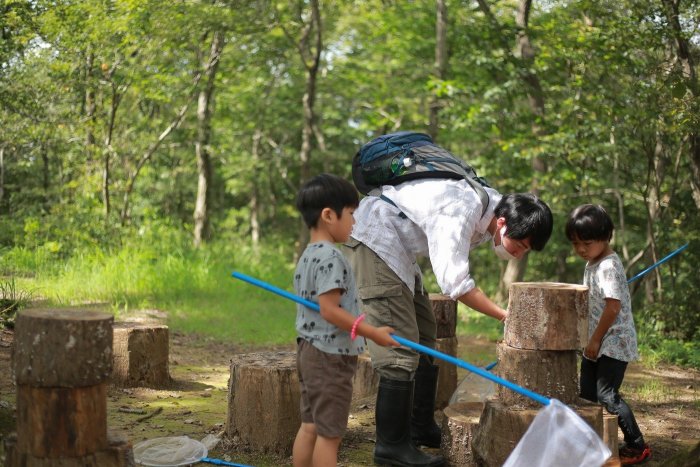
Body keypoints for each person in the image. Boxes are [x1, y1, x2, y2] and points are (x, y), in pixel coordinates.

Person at [343, 175, 553, 467]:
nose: (517, 254)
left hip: (399, 250)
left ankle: (418, 426)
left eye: (525, 251)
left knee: (425, 333)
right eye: (519, 245)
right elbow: (456, 284)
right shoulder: (462, 208)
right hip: (374, 238)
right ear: (503, 222)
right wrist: (505, 315)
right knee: (398, 347)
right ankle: (391, 448)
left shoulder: (489, 210)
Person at [292, 173, 400, 467]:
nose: (355, 222)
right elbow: (329, 310)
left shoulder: (308, 255)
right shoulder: (331, 257)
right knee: (330, 435)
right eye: (351, 214)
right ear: (329, 215)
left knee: (310, 427)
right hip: (329, 357)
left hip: (309, 351)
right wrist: (372, 332)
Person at [565, 204, 652, 466]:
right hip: (595, 341)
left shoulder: (608, 266)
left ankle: (637, 445)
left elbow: (613, 307)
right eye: (575, 243)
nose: (581, 249)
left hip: (613, 341)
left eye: (586, 243)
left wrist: (594, 340)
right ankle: (589, 443)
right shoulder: (593, 262)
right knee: (586, 395)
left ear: (606, 237)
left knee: (607, 395)